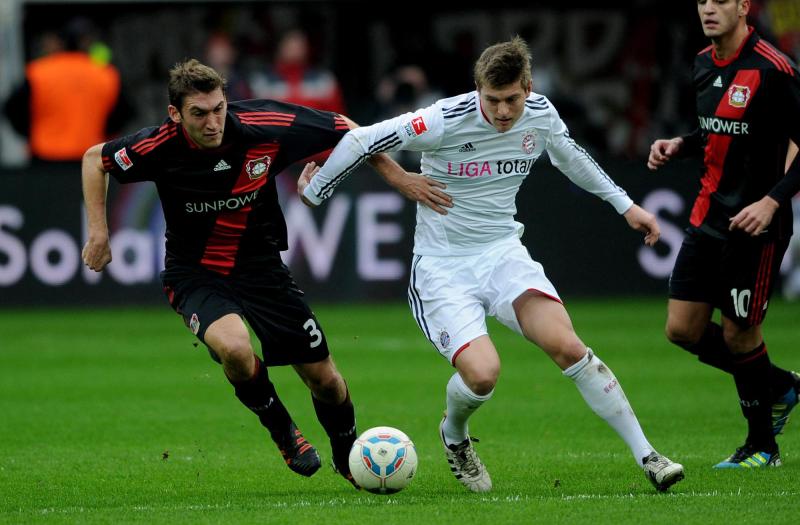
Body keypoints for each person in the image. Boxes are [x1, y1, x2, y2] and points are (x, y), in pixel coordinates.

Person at [299, 36, 685, 493]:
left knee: (569, 346)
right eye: (492, 100)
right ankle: (454, 436)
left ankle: (649, 456)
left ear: (528, 87)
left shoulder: (541, 114)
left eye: (512, 100)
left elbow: (572, 157)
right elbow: (360, 136)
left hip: (503, 254)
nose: (502, 112)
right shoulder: (444, 118)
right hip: (442, 267)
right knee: (483, 375)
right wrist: (318, 190)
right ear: (477, 90)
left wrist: (627, 206)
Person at [80, 59, 436, 489]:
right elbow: (93, 160)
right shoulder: (158, 145)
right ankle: (282, 429)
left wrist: (399, 178)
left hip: (262, 268)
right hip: (194, 273)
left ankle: (346, 451)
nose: (213, 123)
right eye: (199, 113)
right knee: (234, 347)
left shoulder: (266, 124)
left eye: (218, 109)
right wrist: (99, 232)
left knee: (324, 380)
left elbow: (350, 130)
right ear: (175, 115)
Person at [647, 0, 800, 468]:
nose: (709, 8)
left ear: (743, 6)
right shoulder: (700, 63)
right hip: (706, 217)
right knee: (682, 329)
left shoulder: (774, 69)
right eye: (702, 1)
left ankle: (762, 447)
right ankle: (780, 386)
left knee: (739, 334)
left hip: (756, 227)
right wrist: (681, 144)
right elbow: (716, 131)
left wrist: (772, 201)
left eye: (720, 0)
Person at [3, 18, 132, 162]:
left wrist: (32, 134)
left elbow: (12, 109)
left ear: (61, 43)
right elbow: (124, 113)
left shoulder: (38, 72)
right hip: (91, 157)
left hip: (45, 157)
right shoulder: (105, 74)